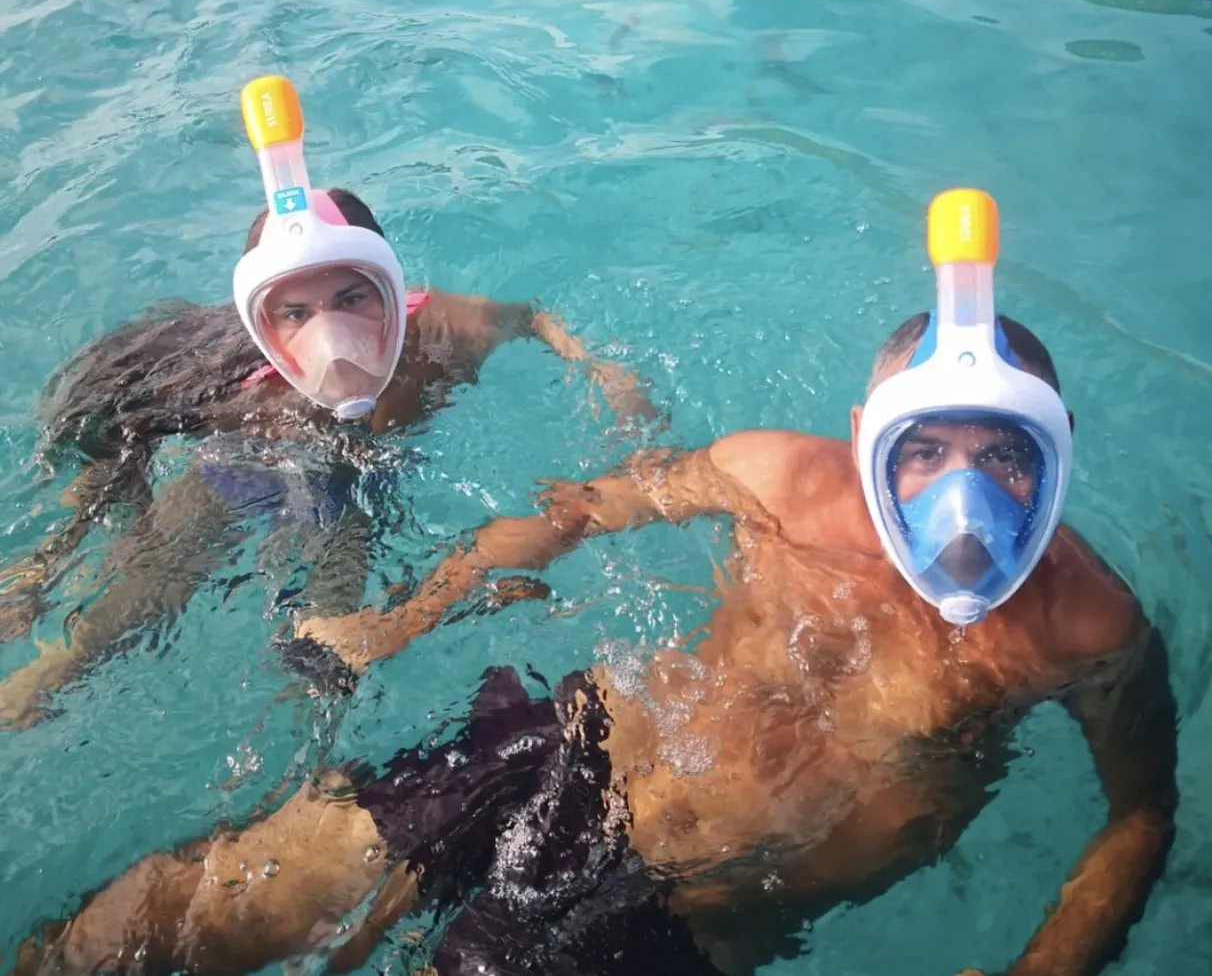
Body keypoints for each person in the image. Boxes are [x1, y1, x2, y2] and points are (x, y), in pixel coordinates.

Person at [15, 190, 1177, 976]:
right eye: (925, 451)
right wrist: (406, 617)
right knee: (238, 892)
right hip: (577, 743)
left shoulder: (1087, 627)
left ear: (1059, 449)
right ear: (870, 433)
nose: (963, 497)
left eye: (1005, 454)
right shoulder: (774, 475)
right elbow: (580, 510)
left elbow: (1139, 816)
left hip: (702, 907)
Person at [0, 78, 657, 727]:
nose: (331, 336)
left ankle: (316, 769)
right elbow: (120, 433)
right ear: (264, 327)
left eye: (352, 298)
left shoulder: (447, 328)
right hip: (248, 465)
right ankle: (52, 669)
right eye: (296, 313)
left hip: (354, 485)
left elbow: (533, 317)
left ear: (393, 290)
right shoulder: (246, 395)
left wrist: (607, 376)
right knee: (150, 585)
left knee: (329, 658)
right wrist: (50, 558)